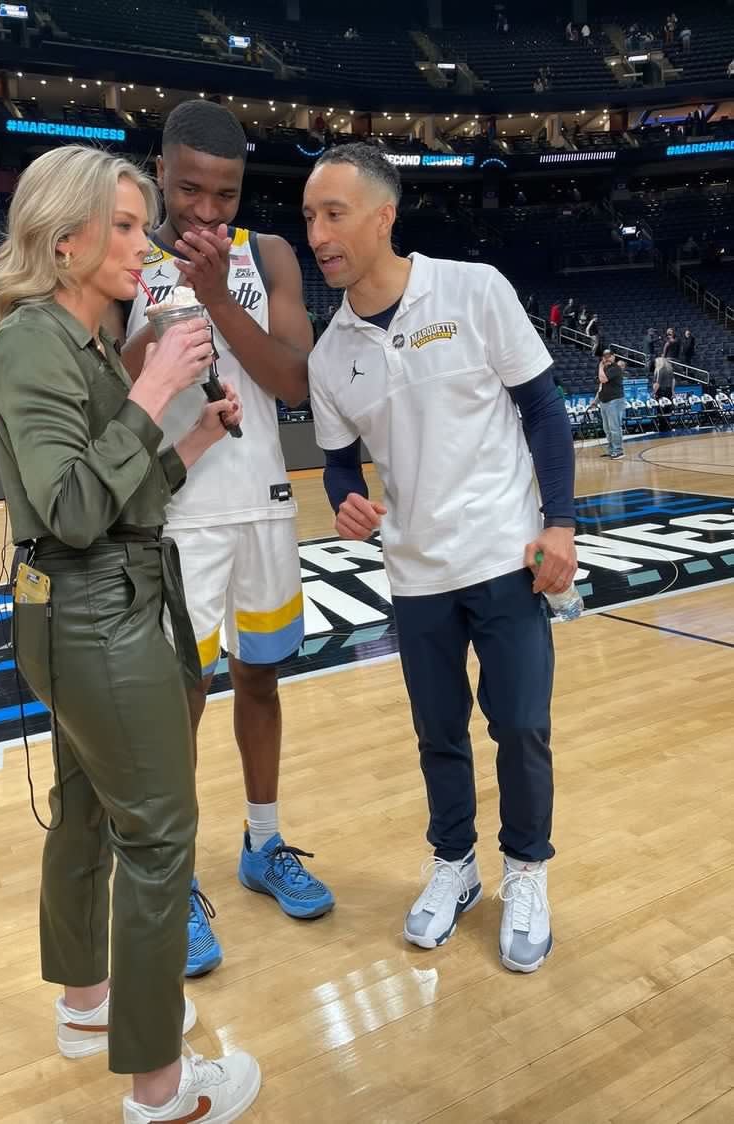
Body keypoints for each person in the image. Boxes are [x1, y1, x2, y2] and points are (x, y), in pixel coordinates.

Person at [0, 144, 258, 1124]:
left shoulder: (79, 342)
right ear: (64, 241)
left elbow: (122, 495)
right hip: (97, 608)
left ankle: (86, 1004)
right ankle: (159, 1089)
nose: (147, 242)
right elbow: (73, 511)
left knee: (89, 805)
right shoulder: (29, 343)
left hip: (95, 600)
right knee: (160, 835)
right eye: (126, 226)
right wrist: (150, 391)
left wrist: (192, 437)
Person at [303, 144, 577, 973]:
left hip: (502, 554)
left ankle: (525, 872)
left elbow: (543, 408)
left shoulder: (473, 288)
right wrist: (342, 497)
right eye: (309, 216)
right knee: (438, 733)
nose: (317, 233)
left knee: (520, 728)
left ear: (383, 216)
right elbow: (341, 460)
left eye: (334, 213)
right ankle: (453, 866)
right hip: (415, 572)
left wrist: (559, 524)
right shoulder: (328, 355)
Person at [116, 99, 333, 978]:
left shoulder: (269, 254)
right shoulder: (128, 258)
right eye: (193, 190)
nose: (209, 212)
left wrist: (213, 300)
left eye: (228, 194)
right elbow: (113, 389)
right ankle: (175, 883)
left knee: (260, 681)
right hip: (178, 515)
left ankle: (263, 845)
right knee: (180, 704)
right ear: (161, 172)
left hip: (266, 504)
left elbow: (294, 380)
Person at [598, 356, 627, 458]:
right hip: (604, 401)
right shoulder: (606, 370)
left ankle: (618, 451)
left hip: (614, 401)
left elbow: (603, 379)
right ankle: (611, 450)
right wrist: (595, 401)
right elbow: (601, 388)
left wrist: (600, 367)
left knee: (614, 427)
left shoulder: (616, 368)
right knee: (607, 428)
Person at [653, 356, 675, 431]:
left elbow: (657, 383)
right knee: (667, 409)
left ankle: (661, 427)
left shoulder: (659, 370)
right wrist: (672, 391)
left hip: (661, 391)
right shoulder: (670, 370)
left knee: (661, 410)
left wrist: (653, 392)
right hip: (669, 390)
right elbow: (673, 381)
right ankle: (668, 426)